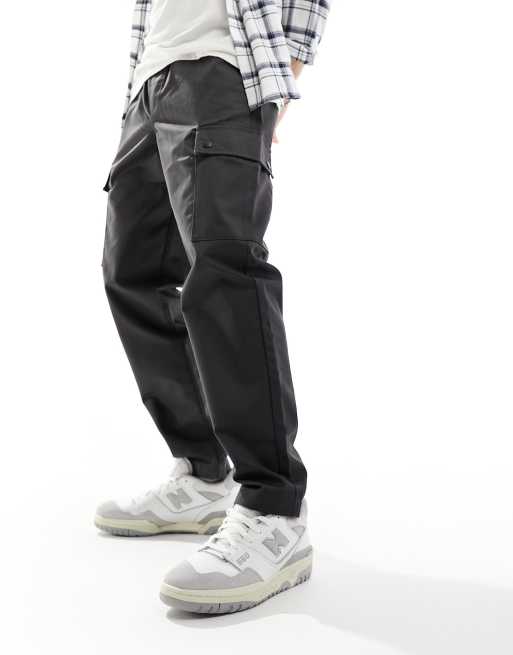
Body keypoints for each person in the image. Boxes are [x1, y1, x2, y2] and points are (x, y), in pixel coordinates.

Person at [96, 0, 330, 614]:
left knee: (225, 276)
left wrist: (276, 84)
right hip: (151, 82)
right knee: (132, 273)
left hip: (225, 69)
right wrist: (139, 86)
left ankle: (274, 511)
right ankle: (204, 474)